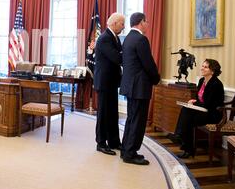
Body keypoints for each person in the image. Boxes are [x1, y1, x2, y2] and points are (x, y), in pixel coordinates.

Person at [119, 12, 160, 165]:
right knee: (138, 121)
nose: (148, 24)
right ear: (141, 22)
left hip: (130, 86)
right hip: (140, 87)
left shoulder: (128, 38)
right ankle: (130, 153)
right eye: (146, 21)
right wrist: (156, 78)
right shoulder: (141, 39)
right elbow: (148, 63)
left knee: (131, 119)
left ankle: (126, 149)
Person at [168, 59, 224, 158]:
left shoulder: (216, 84)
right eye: (202, 66)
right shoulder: (202, 80)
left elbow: (208, 103)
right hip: (202, 111)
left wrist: (195, 104)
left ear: (213, 71)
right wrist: (193, 102)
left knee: (188, 117)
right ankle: (183, 143)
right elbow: (200, 99)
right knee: (186, 111)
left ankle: (182, 140)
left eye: (205, 67)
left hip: (213, 114)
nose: (202, 68)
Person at [93, 13, 125, 156]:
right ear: (114, 23)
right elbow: (117, 58)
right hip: (104, 82)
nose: (123, 27)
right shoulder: (105, 38)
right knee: (104, 114)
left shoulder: (114, 37)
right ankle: (101, 143)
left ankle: (114, 141)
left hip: (111, 82)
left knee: (112, 114)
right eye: (122, 23)